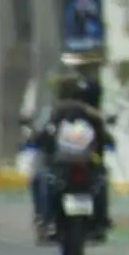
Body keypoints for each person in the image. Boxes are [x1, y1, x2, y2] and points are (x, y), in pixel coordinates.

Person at [32, 73, 114, 237]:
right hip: (84, 165)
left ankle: (46, 220)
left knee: (41, 178)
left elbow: (41, 135)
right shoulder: (91, 114)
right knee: (102, 179)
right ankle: (101, 221)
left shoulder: (56, 112)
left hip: (67, 166)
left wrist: (34, 140)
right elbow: (106, 138)